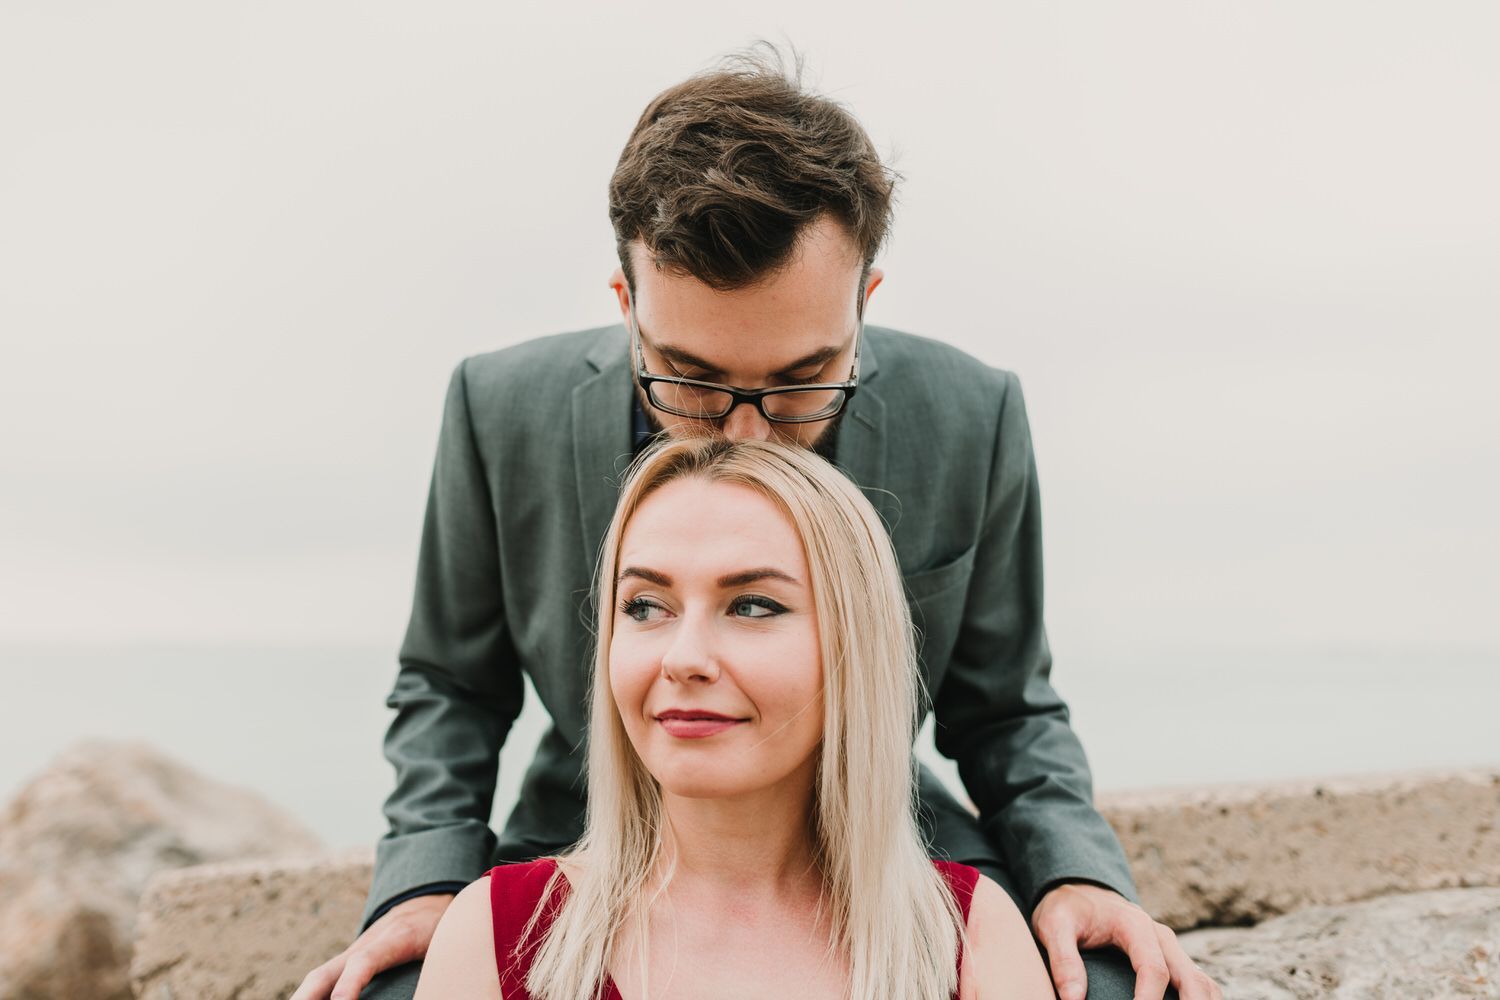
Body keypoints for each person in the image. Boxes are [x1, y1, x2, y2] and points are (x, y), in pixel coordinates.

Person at [294, 48, 1220, 1000]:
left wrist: (1081, 874)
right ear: (628, 308)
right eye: (690, 379)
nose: (745, 433)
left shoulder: (971, 414)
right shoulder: (497, 406)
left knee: (1109, 983)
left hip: (889, 839)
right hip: (579, 835)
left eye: (797, 381)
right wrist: (424, 883)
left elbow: (1009, 707)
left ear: (864, 305)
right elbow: (451, 683)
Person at [411, 434, 1057, 999]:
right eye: (644, 606)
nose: (683, 658)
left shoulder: (969, 942)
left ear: (854, 650)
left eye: (751, 605)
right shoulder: (499, 938)